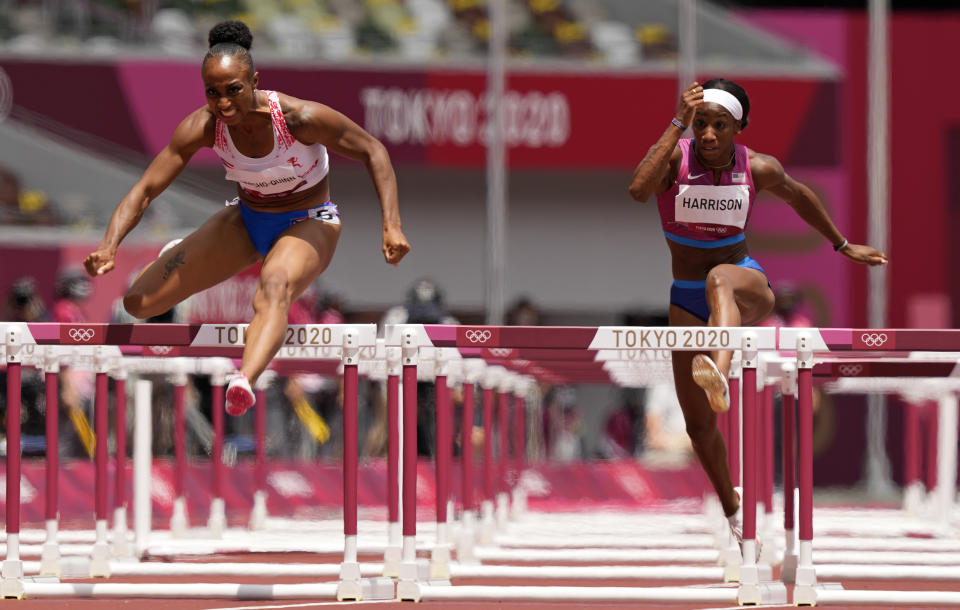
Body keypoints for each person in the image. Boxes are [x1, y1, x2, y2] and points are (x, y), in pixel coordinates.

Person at [83, 20, 410, 416]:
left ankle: (244, 380)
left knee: (273, 285)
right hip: (247, 219)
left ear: (254, 81)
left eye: (234, 90)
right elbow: (146, 189)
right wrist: (109, 245)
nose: (224, 104)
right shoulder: (202, 126)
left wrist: (391, 224)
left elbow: (373, 151)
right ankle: (178, 253)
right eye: (213, 93)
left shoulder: (298, 118)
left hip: (309, 221)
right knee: (140, 303)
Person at [627, 79, 887, 541]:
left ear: (739, 128)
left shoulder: (758, 168)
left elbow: (800, 196)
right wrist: (674, 124)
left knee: (720, 278)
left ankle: (719, 370)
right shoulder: (675, 157)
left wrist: (842, 245)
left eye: (719, 126)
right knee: (699, 427)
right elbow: (638, 189)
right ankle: (733, 511)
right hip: (685, 296)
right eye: (701, 123)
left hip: (746, 284)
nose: (707, 134)